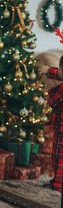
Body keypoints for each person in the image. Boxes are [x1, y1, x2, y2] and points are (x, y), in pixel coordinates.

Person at [47, 55, 63, 193]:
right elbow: (57, 73)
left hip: (61, 129)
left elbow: (51, 101)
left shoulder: (61, 89)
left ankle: (57, 185)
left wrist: (49, 92)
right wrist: (49, 70)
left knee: (59, 157)